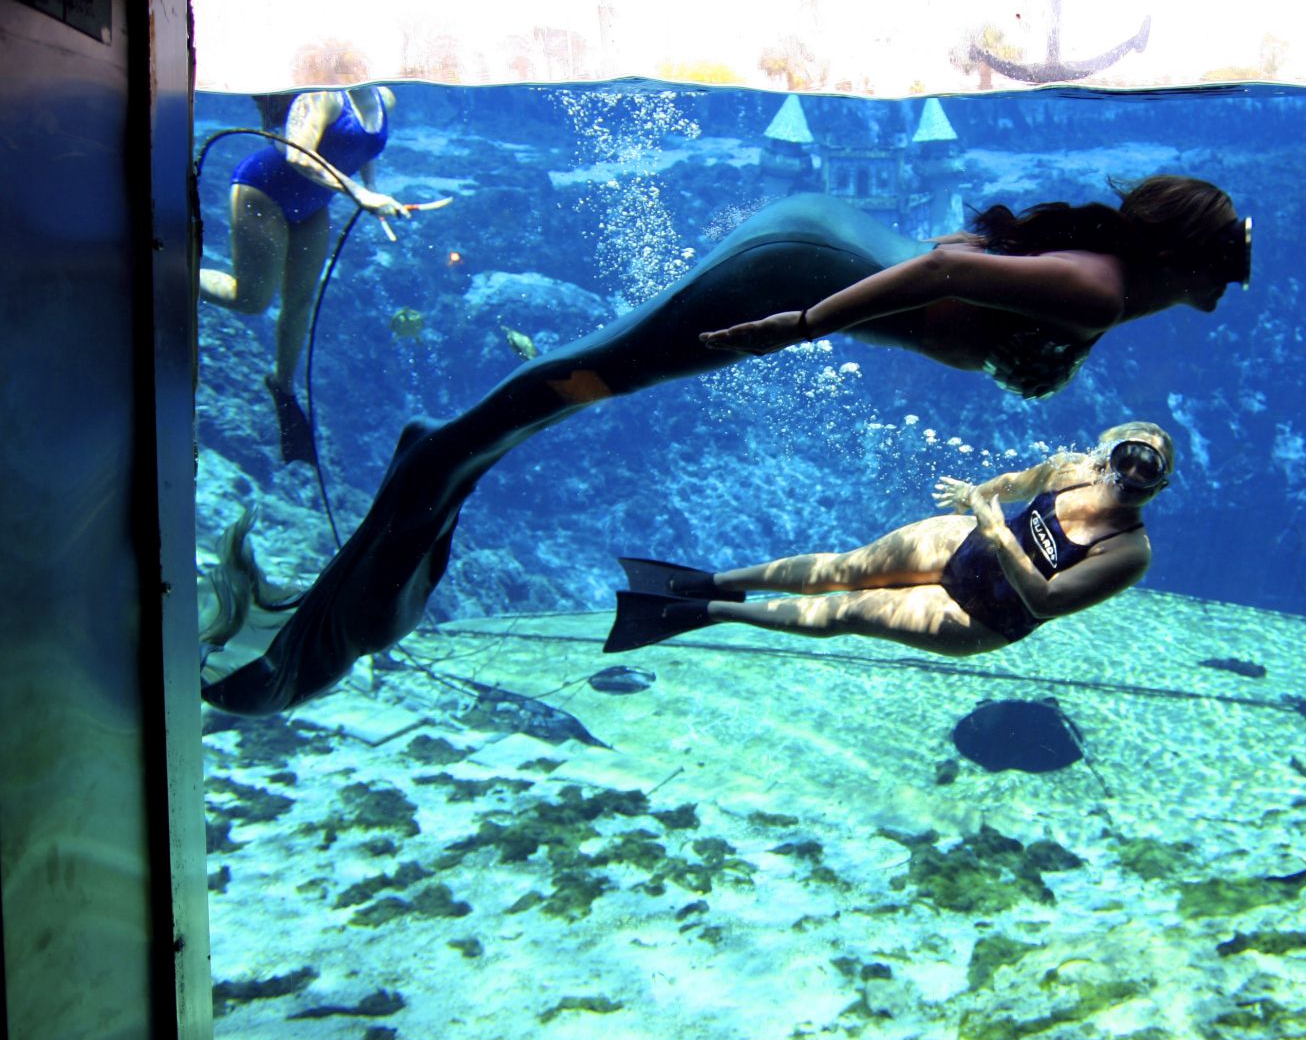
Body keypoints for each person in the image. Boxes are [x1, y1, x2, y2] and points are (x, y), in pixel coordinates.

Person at [203, 177, 1248, 714]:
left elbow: (958, 256)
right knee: (593, 375)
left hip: (812, 257)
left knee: (581, 382)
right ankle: (434, 464)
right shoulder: (1099, 287)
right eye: (1224, 268)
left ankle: (439, 465)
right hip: (792, 275)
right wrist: (800, 325)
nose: (1223, 290)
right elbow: (938, 271)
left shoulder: (1101, 289)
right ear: (1187, 259)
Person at [605, 423, 1175, 656]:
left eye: (1150, 473)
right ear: (1106, 455)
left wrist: (997, 530)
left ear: (1159, 487)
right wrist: (976, 493)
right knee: (838, 569)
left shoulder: (1127, 553)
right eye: (1129, 458)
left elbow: (1046, 601)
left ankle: (704, 612)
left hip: (982, 614)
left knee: (845, 612)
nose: (1133, 477)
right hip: (964, 542)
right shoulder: (1070, 467)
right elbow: (1015, 482)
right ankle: (706, 581)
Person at [199, 41, 410, 466]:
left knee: (299, 302)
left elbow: (367, 151)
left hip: (313, 206)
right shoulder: (321, 95)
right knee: (251, 300)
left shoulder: (384, 96)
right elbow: (297, 154)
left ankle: (283, 385)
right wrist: (360, 193)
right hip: (266, 190)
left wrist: (371, 192)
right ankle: (166, 272)